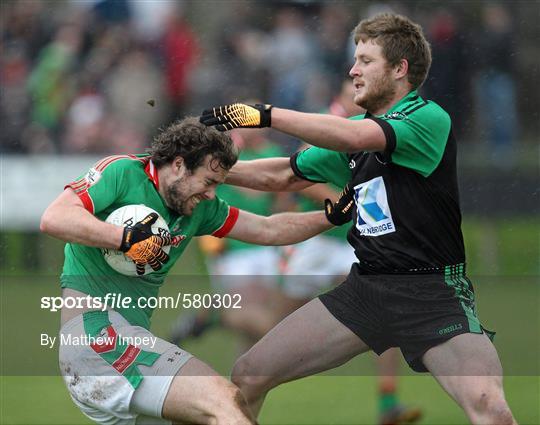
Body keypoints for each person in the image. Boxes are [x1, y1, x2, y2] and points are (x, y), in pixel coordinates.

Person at [199, 13, 516, 425]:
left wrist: (266, 115)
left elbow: (356, 137)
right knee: (246, 375)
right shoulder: (353, 131)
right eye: (354, 60)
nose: (353, 71)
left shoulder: (427, 118)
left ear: (400, 70)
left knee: (491, 409)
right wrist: (203, 169)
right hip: (365, 289)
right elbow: (283, 174)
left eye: (366, 60)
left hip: (432, 294)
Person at [40, 117, 349, 425]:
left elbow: (269, 229)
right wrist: (126, 239)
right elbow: (55, 217)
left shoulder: (199, 208)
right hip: (97, 339)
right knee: (225, 402)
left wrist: (330, 217)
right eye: (208, 181)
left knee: (216, 411)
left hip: (126, 344)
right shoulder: (123, 172)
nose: (213, 194)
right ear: (178, 165)